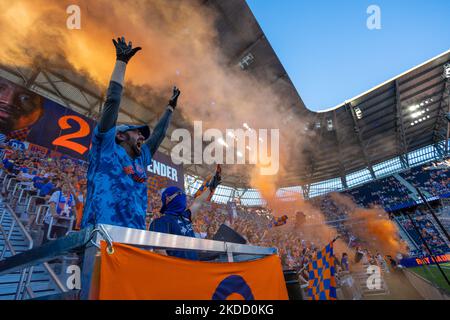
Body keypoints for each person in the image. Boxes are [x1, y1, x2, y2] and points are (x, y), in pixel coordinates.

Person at [81, 36, 179, 230]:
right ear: (120, 135)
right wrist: (121, 62)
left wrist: (170, 108)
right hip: (100, 235)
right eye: (137, 133)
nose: (143, 137)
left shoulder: (141, 158)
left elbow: (158, 135)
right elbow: (112, 102)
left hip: (134, 237)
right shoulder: (106, 148)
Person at [149, 170, 222, 260]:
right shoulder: (159, 222)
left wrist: (212, 186)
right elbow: (160, 253)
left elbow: (198, 202)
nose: (184, 197)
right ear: (168, 198)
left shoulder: (185, 216)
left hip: (194, 267)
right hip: (179, 271)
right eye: (180, 194)